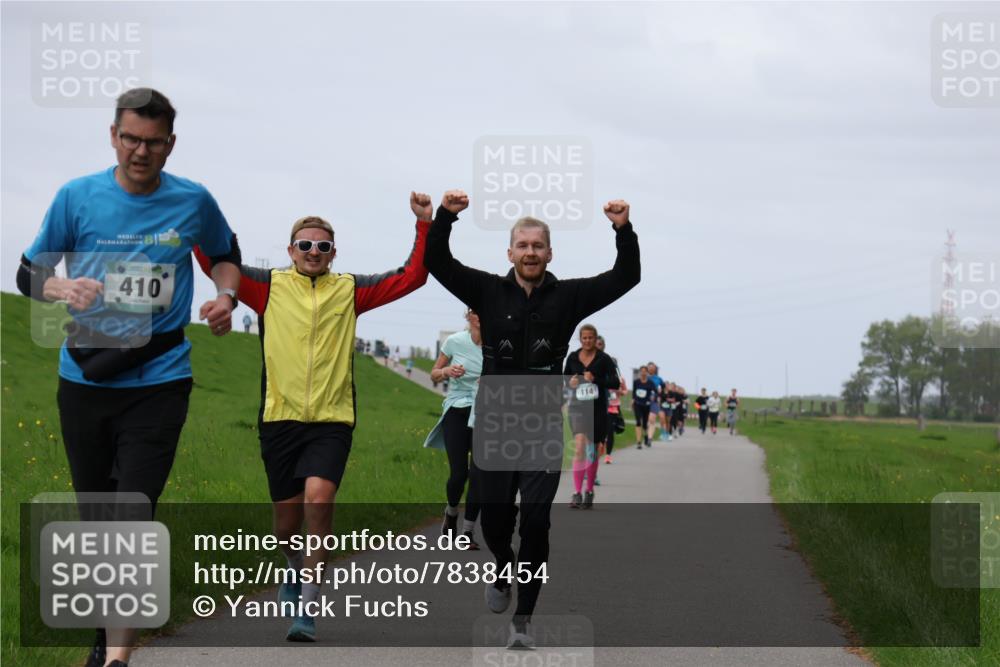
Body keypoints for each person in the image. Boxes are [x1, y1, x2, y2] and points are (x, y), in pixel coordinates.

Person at [16, 88, 241, 667]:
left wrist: (225, 295)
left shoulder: (193, 200)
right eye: (131, 139)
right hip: (85, 380)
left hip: (160, 379)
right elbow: (27, 271)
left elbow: (225, 253)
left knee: (133, 516)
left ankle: (117, 657)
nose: (141, 152)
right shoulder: (76, 197)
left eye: (153, 142)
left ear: (171, 144)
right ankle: (104, 634)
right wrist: (59, 286)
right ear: (113, 136)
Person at [196, 191, 435, 642]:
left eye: (322, 246)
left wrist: (425, 224)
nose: (313, 252)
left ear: (333, 253)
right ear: (291, 250)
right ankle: (292, 566)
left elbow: (412, 277)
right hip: (279, 419)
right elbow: (214, 262)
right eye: (305, 245)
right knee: (286, 528)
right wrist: (195, 216)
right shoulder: (266, 286)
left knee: (319, 502)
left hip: (332, 420)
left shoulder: (350, 289)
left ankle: (307, 609)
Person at [424, 190, 640, 649]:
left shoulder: (569, 296)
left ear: (549, 253)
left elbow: (627, 276)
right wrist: (444, 217)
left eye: (538, 246)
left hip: (541, 425)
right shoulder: (487, 290)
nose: (530, 252)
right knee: (495, 525)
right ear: (510, 253)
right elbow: (437, 262)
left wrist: (622, 229)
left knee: (537, 523)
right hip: (494, 423)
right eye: (522, 245)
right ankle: (503, 566)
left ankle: (522, 621)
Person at [424, 308, 484, 549]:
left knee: (480, 475)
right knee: (459, 474)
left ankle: (467, 532)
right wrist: (446, 371)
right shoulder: (455, 341)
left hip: (485, 412)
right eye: (475, 310)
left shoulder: (498, 345)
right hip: (457, 411)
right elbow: (434, 374)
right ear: (468, 316)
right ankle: (451, 513)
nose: (480, 315)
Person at [564, 324, 619, 509]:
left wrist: (596, 379)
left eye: (590, 338)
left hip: (597, 409)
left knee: (592, 450)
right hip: (577, 407)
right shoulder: (573, 357)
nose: (587, 341)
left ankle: (589, 490)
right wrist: (570, 382)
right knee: (579, 446)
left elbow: (615, 383)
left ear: (595, 339)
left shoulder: (604, 359)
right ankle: (576, 492)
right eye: (584, 338)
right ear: (580, 339)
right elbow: (564, 379)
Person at [596, 335, 627, 464]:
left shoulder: (618, 378)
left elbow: (624, 390)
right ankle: (595, 457)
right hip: (597, 404)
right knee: (598, 435)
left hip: (612, 407)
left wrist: (619, 391)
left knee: (609, 432)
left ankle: (608, 455)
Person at [632, 366, 656, 448]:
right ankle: (639, 442)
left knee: (645, 424)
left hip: (646, 405)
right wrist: (633, 400)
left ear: (647, 373)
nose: (643, 373)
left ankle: (646, 435)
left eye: (645, 371)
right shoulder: (636, 382)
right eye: (641, 371)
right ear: (640, 372)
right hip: (637, 404)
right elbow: (634, 392)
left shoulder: (650, 383)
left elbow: (655, 392)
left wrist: (653, 397)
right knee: (638, 421)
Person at [646, 362, 664, 442]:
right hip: (644, 401)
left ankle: (650, 438)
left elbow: (663, 388)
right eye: (649, 367)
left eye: (653, 368)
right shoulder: (644, 378)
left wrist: (660, 394)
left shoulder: (659, 379)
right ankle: (647, 435)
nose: (651, 369)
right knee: (646, 420)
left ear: (655, 369)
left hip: (654, 401)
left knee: (652, 419)